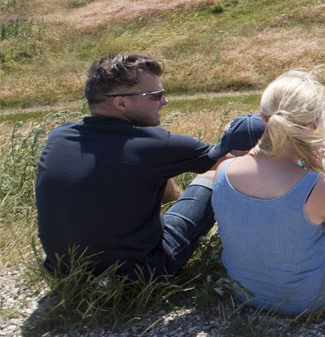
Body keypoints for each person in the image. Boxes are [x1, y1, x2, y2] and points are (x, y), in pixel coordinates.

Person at [34, 53, 258, 279]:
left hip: (63, 268)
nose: (164, 101)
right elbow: (231, 159)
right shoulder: (155, 145)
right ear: (121, 102)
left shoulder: (59, 136)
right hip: (141, 275)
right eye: (155, 95)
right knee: (218, 169)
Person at [211, 69, 325, 315]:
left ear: (263, 118)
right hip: (310, 299)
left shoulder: (224, 171)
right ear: (314, 125)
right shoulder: (320, 185)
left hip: (244, 292)